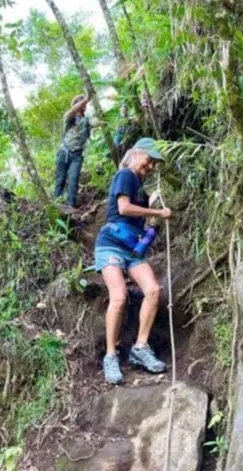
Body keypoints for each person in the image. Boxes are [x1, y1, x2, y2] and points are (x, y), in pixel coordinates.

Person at [94, 137, 172, 385]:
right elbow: (125, 209)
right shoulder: (125, 175)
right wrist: (157, 212)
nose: (149, 167)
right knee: (119, 297)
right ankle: (110, 355)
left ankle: (140, 347)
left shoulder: (141, 189)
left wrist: (154, 219)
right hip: (111, 246)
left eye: (153, 165)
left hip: (132, 250)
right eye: (148, 160)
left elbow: (140, 222)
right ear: (136, 154)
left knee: (153, 290)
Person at [54, 91, 94, 207]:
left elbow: (95, 122)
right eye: (80, 103)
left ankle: (71, 206)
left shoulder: (86, 120)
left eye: (84, 103)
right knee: (60, 178)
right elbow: (72, 111)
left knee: (73, 179)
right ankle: (57, 204)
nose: (83, 105)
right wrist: (86, 98)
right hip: (64, 152)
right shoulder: (70, 117)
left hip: (77, 155)